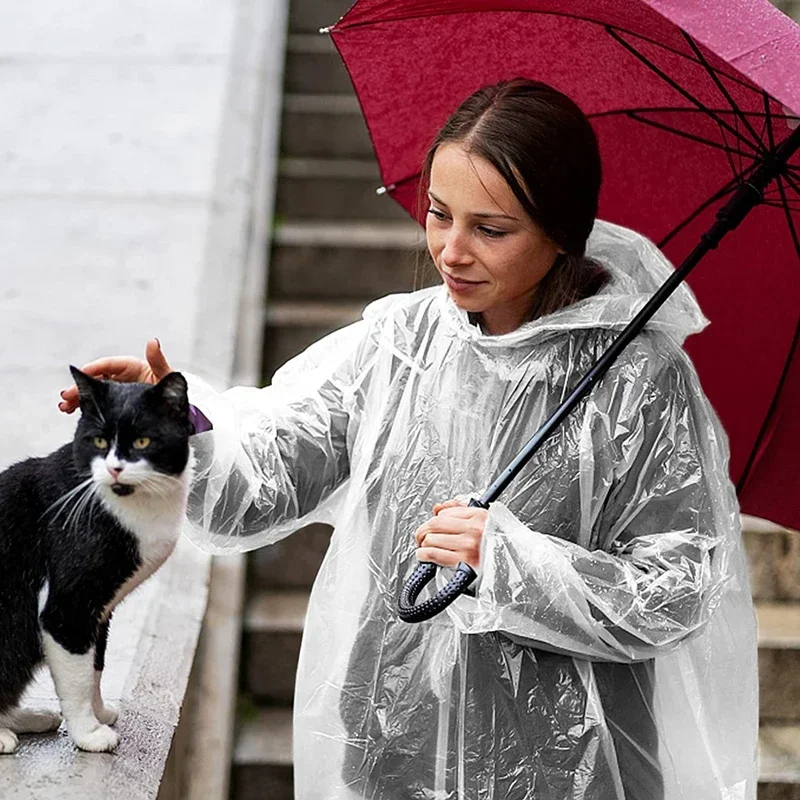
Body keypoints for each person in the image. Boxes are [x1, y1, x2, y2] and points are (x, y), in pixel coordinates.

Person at [59, 80, 758, 799]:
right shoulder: (401, 342)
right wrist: (176, 424)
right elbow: (266, 484)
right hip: (395, 746)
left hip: (570, 770)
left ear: (560, 231)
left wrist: (510, 561)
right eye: (437, 214)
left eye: (490, 229)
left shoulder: (639, 379)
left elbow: (674, 591)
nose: (450, 251)